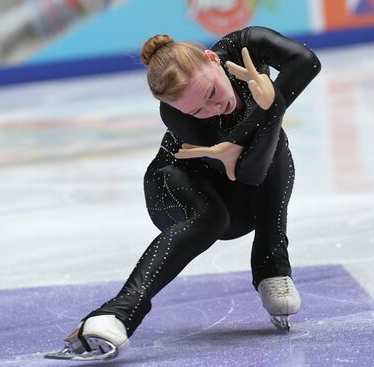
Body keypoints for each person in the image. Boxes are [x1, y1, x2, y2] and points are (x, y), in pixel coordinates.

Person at [46, 25, 321, 361]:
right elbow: (248, 173)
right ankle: (116, 314)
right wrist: (271, 107)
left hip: (239, 198)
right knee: (211, 216)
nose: (213, 108)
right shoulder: (174, 115)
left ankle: (271, 264)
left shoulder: (246, 46)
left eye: (210, 93)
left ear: (212, 59)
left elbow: (306, 62)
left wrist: (262, 111)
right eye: (198, 110)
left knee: (277, 143)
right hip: (175, 187)